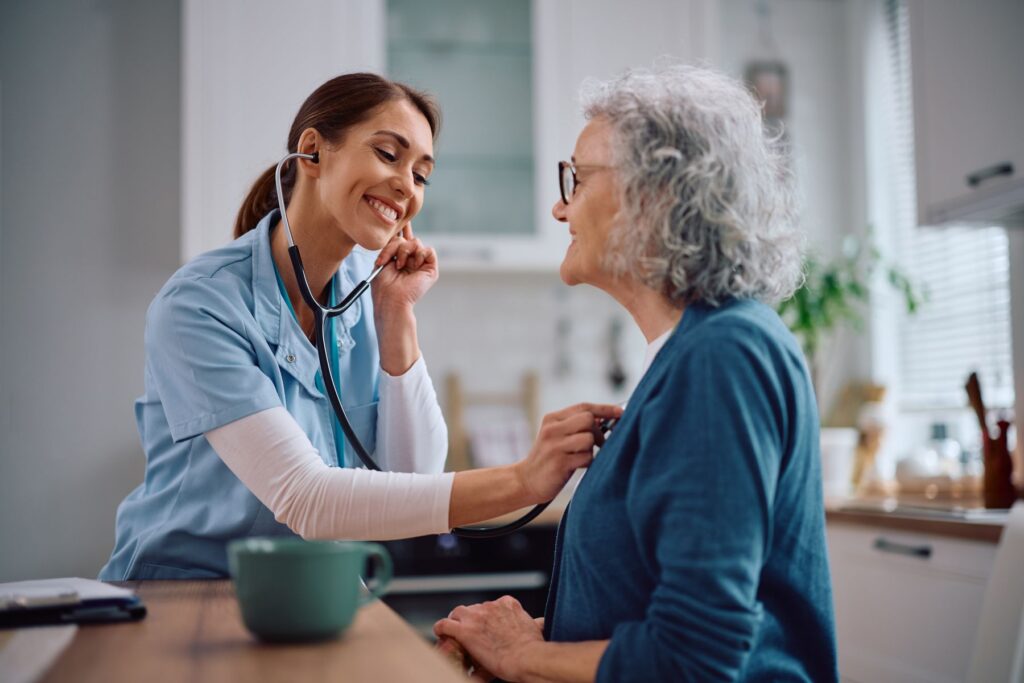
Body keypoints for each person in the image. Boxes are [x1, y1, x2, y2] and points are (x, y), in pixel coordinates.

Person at [100, 73, 620, 581]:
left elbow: (414, 479)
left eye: (421, 174)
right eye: (388, 154)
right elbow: (305, 498)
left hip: (310, 596)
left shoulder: (363, 293)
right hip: (184, 597)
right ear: (313, 151)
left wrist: (397, 316)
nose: (405, 186)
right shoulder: (201, 302)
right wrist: (523, 480)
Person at [433, 65, 839, 682]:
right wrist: (522, 640)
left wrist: (523, 656)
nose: (559, 204)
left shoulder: (723, 357)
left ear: (657, 194)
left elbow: (695, 659)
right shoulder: (691, 354)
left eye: (578, 177)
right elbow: (646, 617)